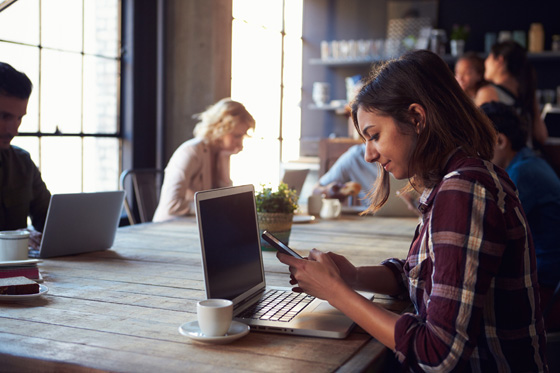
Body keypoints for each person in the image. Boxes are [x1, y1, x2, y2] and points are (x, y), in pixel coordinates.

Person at [277, 50, 548, 371]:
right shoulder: (458, 179)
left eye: (374, 136)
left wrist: (335, 292)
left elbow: (438, 353)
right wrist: (352, 276)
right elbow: (422, 275)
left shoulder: (463, 191)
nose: (367, 155)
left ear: (417, 119)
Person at [482, 101, 560, 331]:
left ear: (500, 141)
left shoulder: (522, 173)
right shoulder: (528, 161)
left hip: (547, 288)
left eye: (478, 141)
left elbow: (492, 229)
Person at [153, 98, 255, 222]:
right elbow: (171, 205)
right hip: (169, 226)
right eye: (237, 136)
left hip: (196, 225)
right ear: (220, 127)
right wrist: (209, 206)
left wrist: (223, 160)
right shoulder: (190, 152)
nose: (240, 142)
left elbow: (226, 200)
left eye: (242, 136)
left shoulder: (221, 153)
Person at [0, 62, 51, 250]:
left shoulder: (22, 162)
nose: (14, 130)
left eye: (19, 118)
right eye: (4, 116)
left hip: (20, 273)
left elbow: (49, 221)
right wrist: (14, 240)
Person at [475, 40, 548, 147]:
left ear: (500, 60)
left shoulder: (488, 92)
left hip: (504, 162)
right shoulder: (526, 93)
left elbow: (481, 136)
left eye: (489, 57)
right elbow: (541, 137)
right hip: (526, 158)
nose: (485, 62)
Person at [313, 143, 377, 205]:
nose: (367, 155)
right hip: (372, 215)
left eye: (376, 136)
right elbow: (315, 191)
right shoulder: (354, 157)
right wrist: (327, 191)